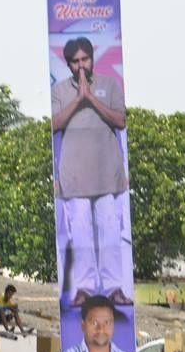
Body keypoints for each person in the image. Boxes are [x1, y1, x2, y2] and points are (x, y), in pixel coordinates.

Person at [51, 36, 132, 308]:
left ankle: (113, 289)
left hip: (106, 171)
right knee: (82, 233)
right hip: (75, 173)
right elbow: (55, 123)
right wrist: (79, 99)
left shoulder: (110, 85)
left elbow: (120, 121)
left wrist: (91, 99)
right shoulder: (60, 90)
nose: (81, 65)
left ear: (93, 59)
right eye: (75, 61)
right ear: (69, 64)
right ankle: (84, 289)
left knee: (110, 230)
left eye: (85, 59)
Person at [61, 295, 132, 352]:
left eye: (107, 322)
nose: (101, 329)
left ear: (113, 325)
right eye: (94, 322)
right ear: (83, 325)